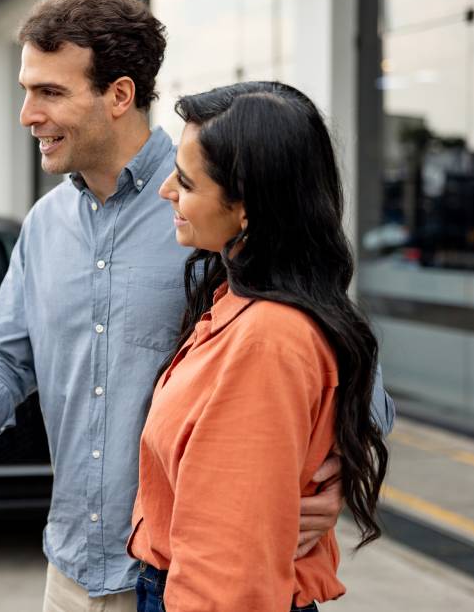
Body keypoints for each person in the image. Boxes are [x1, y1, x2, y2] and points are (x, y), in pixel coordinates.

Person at [0, 0, 394, 610]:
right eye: (26, 90)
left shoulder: (212, 204)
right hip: (69, 569)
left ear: (118, 95)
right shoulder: (43, 226)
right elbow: (6, 359)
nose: (27, 114)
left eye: (50, 92)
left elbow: (349, 379)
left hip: (184, 577)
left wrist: (330, 474)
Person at [128, 80, 388, 610]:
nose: (166, 192)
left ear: (246, 207)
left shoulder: (267, 338)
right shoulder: (237, 304)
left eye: (186, 181)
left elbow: (230, 574)